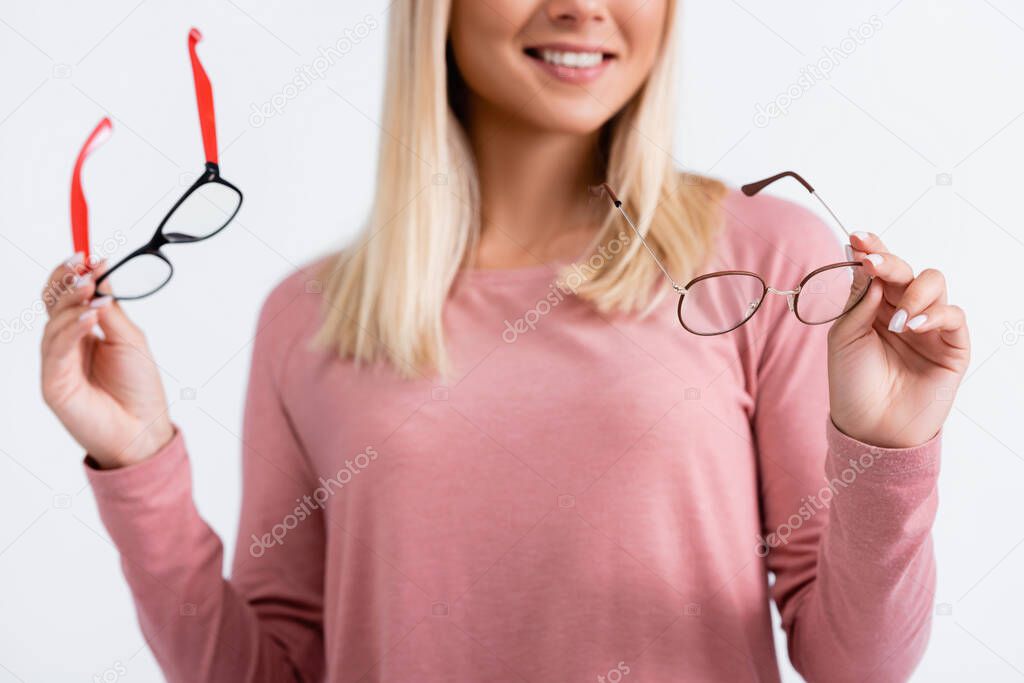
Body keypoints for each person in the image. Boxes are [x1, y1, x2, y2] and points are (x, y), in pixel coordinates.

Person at [39, 1, 969, 681]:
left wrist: (888, 451)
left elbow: (856, 661)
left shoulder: (766, 264)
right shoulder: (312, 316)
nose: (581, 8)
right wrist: (140, 465)